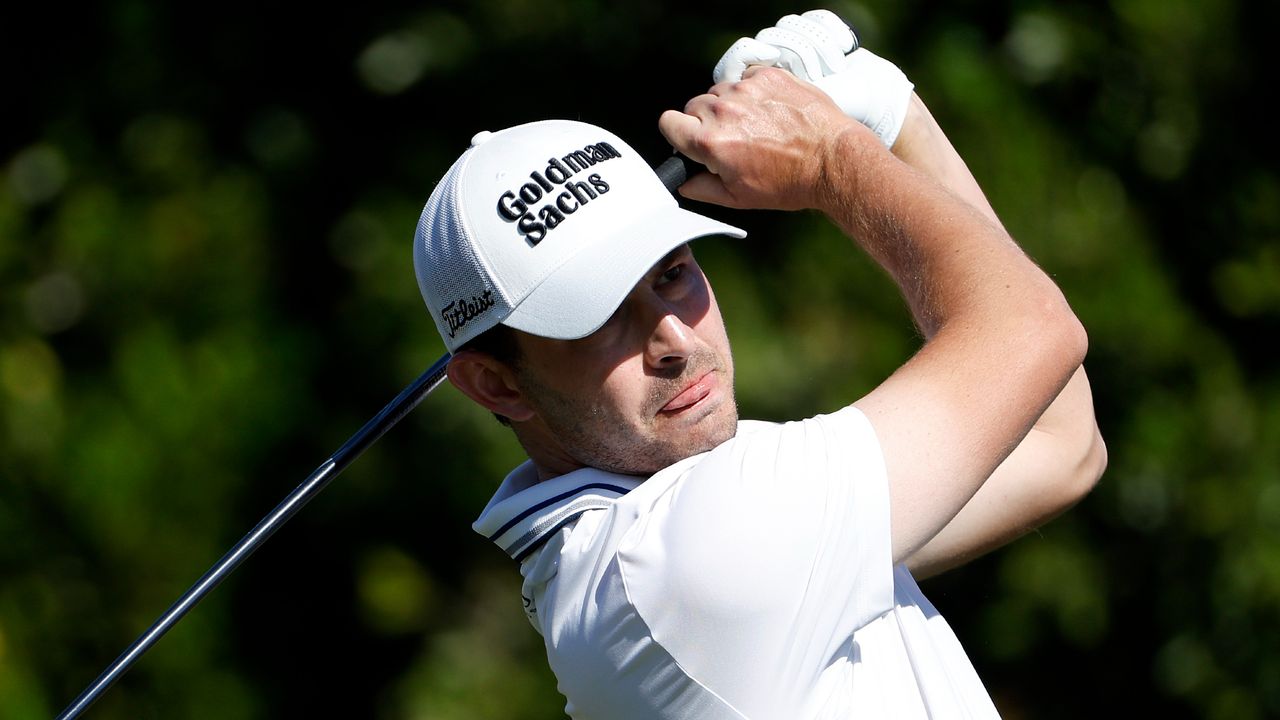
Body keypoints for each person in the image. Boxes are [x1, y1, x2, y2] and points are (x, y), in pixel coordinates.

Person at [412, 10, 1106, 719]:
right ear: (495, 382)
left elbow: (1056, 445)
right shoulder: (676, 565)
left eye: (672, 273)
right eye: (602, 318)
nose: (675, 339)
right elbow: (1035, 330)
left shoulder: (667, 521)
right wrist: (836, 156)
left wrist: (898, 122)